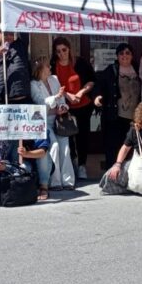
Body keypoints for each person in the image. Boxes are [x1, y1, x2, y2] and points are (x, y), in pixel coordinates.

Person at [51, 37, 96, 180]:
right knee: (68, 136)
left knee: (82, 136)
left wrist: (80, 93)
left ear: (69, 49)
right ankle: (72, 164)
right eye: (58, 51)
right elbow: (52, 85)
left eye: (64, 50)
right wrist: (68, 95)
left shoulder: (80, 62)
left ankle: (82, 165)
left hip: (83, 104)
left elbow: (91, 81)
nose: (61, 54)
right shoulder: (53, 65)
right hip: (65, 106)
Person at [93, 43, 141, 173]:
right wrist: (97, 97)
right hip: (115, 115)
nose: (124, 56)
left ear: (132, 55)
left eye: (127, 53)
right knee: (113, 146)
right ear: (117, 56)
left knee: (132, 147)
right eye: (121, 53)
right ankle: (111, 174)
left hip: (135, 116)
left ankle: (130, 174)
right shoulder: (112, 69)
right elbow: (99, 85)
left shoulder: (138, 68)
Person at [31, 57, 74, 192]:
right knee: (54, 146)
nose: (50, 68)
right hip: (45, 123)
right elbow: (40, 104)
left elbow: (62, 100)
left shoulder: (54, 79)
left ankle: (68, 180)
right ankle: (55, 182)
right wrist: (55, 98)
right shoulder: (33, 84)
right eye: (47, 66)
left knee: (65, 147)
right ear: (40, 69)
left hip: (59, 120)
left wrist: (63, 107)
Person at [0, 31, 30, 106]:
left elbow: (23, 29)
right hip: (1, 100)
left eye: (11, 34)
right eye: (5, 34)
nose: (8, 36)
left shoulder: (20, 45)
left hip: (21, 99)